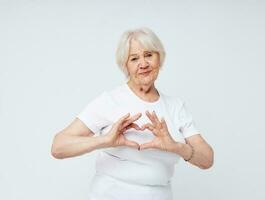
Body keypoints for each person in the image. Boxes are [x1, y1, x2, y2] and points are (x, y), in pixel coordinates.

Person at [51, 27, 214, 200]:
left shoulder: (175, 106)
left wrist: (176, 147)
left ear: (160, 58)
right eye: (134, 58)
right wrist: (105, 141)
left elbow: (207, 160)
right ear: (126, 66)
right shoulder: (111, 100)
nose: (143, 64)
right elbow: (58, 146)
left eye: (149, 55)